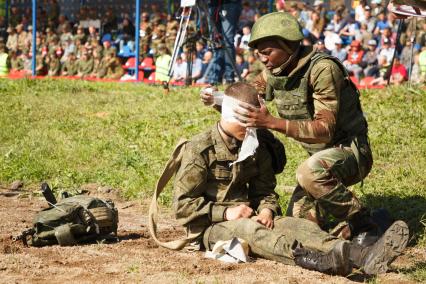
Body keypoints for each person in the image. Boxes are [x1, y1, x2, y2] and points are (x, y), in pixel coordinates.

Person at [186, 82, 409, 276]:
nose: (252, 128)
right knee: (252, 232)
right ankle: (319, 261)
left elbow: (265, 191)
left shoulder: (254, 143)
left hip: (253, 215)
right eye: (247, 123)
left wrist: (266, 210)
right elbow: (182, 206)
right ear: (231, 116)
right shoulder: (200, 149)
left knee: (298, 226)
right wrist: (226, 212)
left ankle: (359, 254)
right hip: (212, 227)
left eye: (255, 123)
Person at [202, 12, 377, 244]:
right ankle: (341, 238)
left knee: (308, 172)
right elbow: (248, 103)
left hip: (350, 152)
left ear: (289, 47)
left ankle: (364, 223)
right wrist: (218, 100)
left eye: (267, 52)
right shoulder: (273, 72)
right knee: (298, 222)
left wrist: (271, 122)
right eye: (258, 54)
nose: (262, 59)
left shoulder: (323, 69)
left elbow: (325, 129)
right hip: (319, 159)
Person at [207, 0, 242, 84]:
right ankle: (215, 77)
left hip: (230, 3)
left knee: (227, 41)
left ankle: (229, 77)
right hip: (212, 4)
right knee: (215, 41)